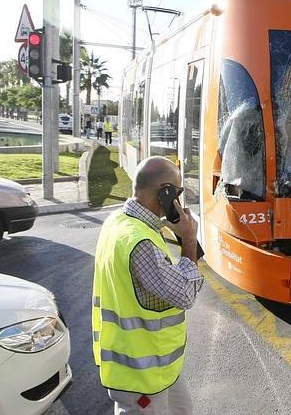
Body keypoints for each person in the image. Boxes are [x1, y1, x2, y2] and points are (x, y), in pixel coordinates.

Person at [93, 156, 203, 415]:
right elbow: (185, 295)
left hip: (160, 367)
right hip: (140, 373)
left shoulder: (118, 221)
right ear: (165, 193)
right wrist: (189, 240)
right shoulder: (139, 242)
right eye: (177, 193)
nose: (178, 200)